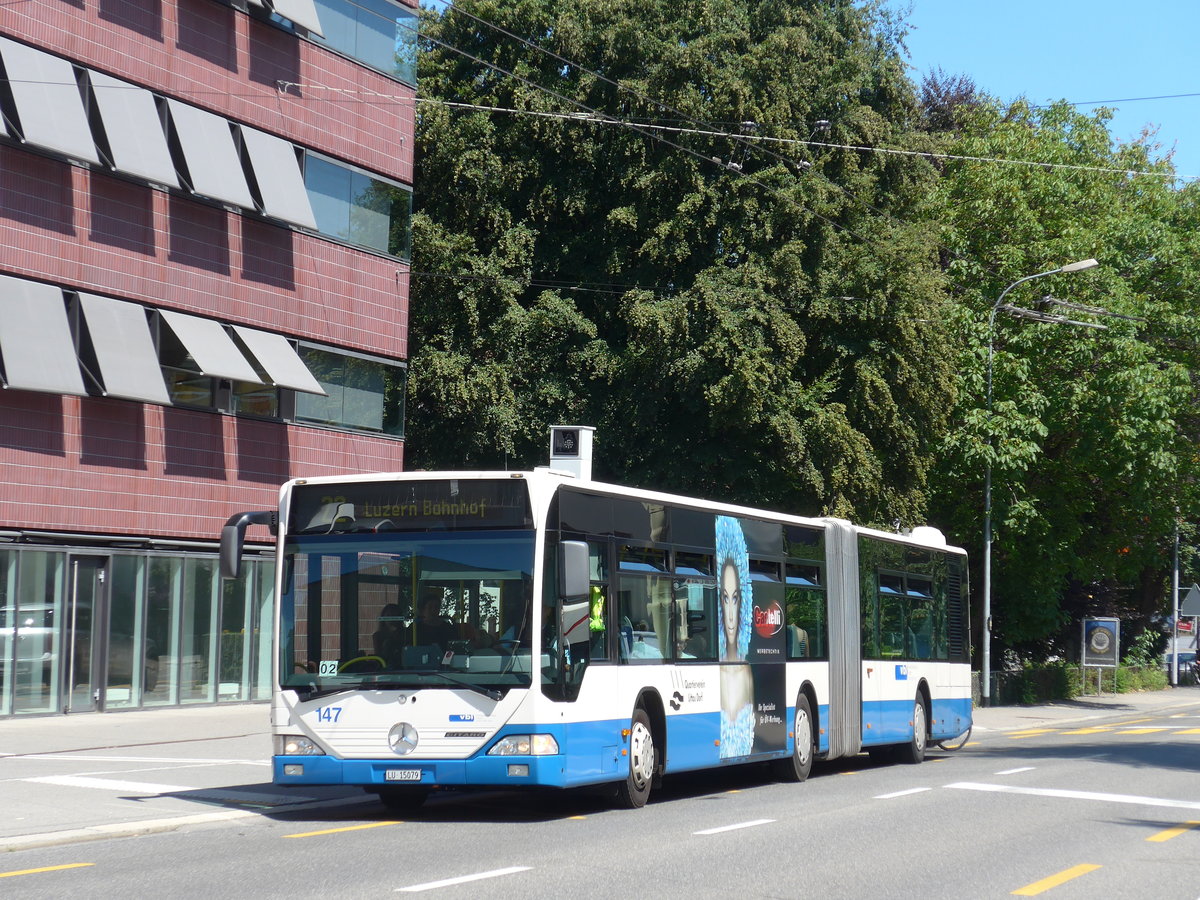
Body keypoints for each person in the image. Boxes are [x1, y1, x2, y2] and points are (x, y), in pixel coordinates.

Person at [716, 516, 754, 758]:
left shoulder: (747, 672)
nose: (731, 614)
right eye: (724, 598)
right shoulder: (710, 668)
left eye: (736, 598)